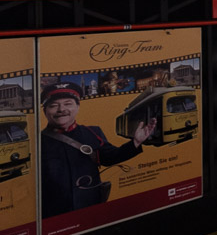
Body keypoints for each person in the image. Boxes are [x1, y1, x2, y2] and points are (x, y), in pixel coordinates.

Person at [39, 82, 156, 219]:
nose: (61, 109)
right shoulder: (38, 142)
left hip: (91, 206)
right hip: (53, 214)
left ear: (77, 107)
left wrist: (135, 142)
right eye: (53, 106)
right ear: (45, 111)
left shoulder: (92, 132)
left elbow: (110, 157)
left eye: (68, 103)